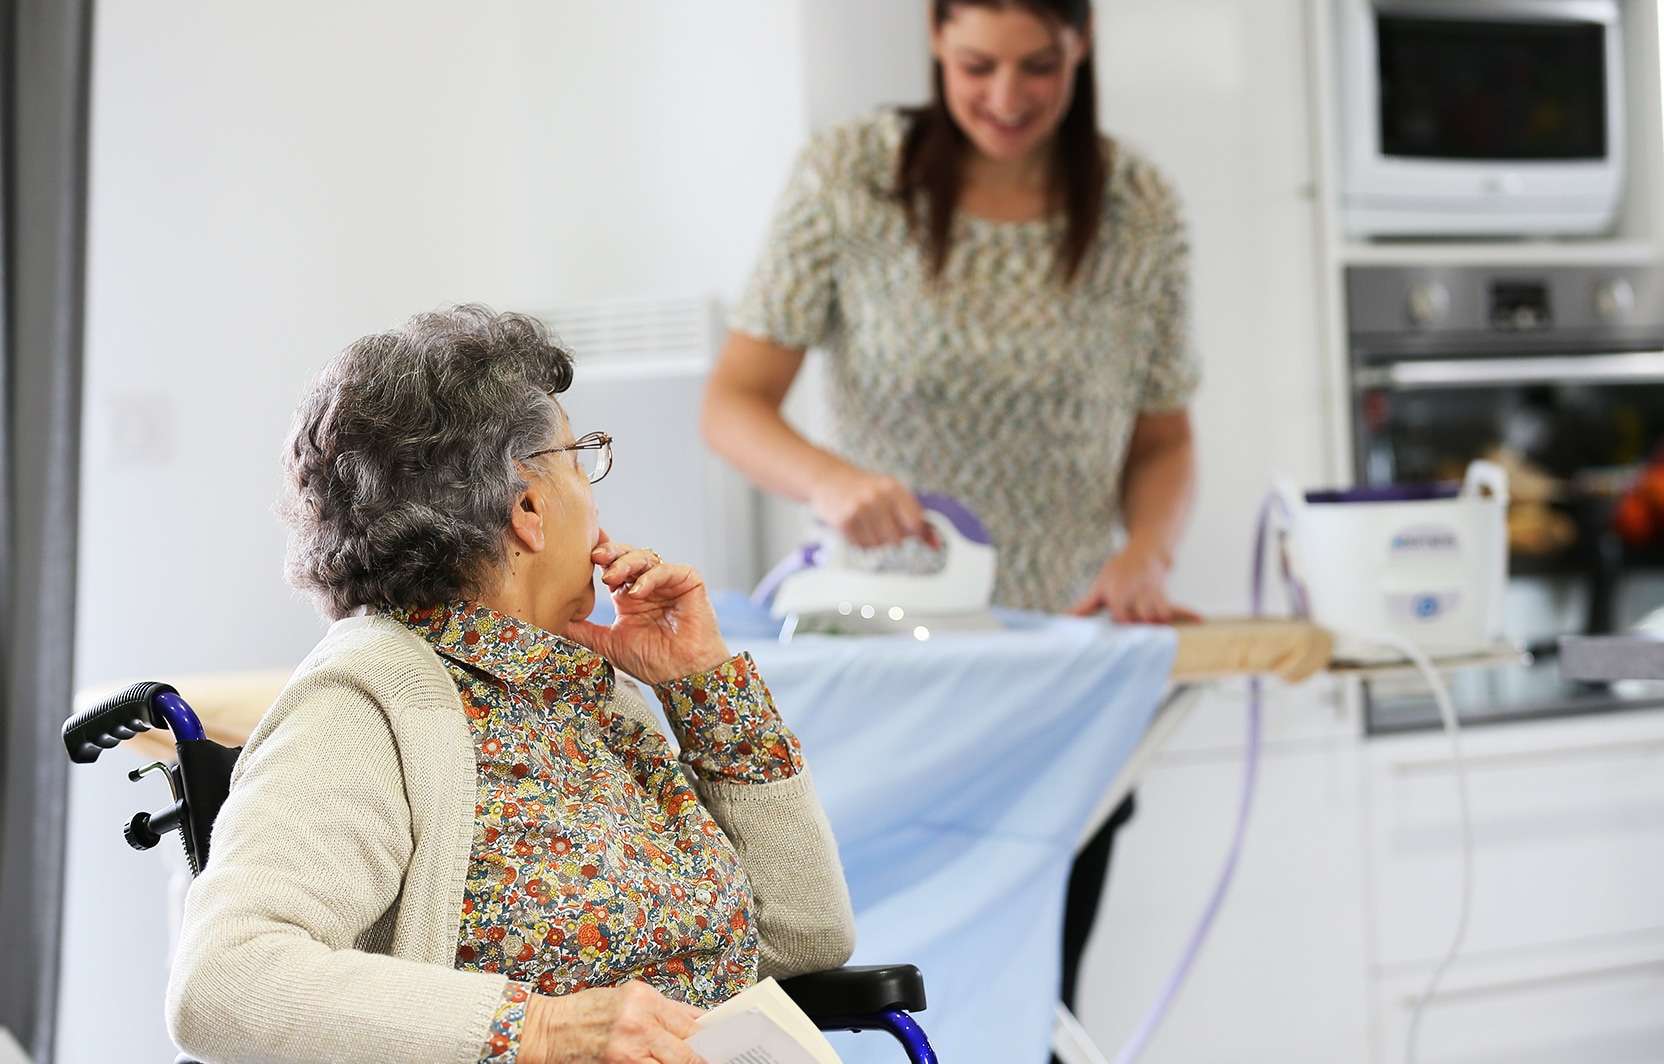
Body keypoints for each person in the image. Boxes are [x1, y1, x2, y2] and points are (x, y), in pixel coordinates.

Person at [166, 307, 854, 1064]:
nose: (593, 496)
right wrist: (538, 1030)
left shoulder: (596, 700)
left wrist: (704, 689)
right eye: (579, 458)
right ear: (526, 506)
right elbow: (224, 980)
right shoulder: (366, 704)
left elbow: (803, 936)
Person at [701, 0, 1198, 1028]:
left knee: (1032, 997)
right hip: (893, 678)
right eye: (976, 65)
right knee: (866, 992)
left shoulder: (1135, 205)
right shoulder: (851, 177)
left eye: (1038, 67)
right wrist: (831, 481)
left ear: (1082, 47)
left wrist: (1146, 553)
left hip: (1058, 675)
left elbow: (1161, 439)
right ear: (933, 40)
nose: (1006, 98)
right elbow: (731, 402)